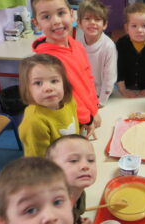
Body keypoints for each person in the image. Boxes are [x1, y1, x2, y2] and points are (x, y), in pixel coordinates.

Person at [31, 0, 100, 139]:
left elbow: (88, 78)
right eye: (46, 17)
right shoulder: (47, 62)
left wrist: (94, 109)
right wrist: (87, 119)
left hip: (88, 115)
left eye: (61, 13)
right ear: (37, 23)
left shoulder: (77, 45)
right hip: (71, 121)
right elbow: (67, 96)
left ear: (72, 15)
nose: (56, 21)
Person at [18, 53, 79, 157]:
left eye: (54, 81)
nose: (48, 88)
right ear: (27, 89)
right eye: (38, 83)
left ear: (63, 83)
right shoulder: (34, 122)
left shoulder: (69, 102)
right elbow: (39, 161)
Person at [46, 134, 97, 224]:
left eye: (91, 160)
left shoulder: (78, 192)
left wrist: (76, 222)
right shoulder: (50, 214)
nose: (85, 166)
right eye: (73, 160)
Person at [116, 2, 145, 98]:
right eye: (134, 26)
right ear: (127, 28)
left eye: (144, 26)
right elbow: (118, 68)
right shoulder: (121, 43)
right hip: (126, 87)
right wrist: (123, 89)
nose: (139, 30)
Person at [76, 0, 117, 108]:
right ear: (79, 23)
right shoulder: (78, 42)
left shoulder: (108, 46)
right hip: (83, 93)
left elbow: (109, 78)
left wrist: (101, 101)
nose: (92, 22)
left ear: (104, 24)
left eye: (97, 19)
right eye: (87, 18)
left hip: (101, 94)